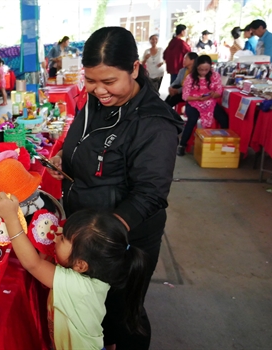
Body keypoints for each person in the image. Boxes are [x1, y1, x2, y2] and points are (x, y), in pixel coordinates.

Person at [47, 26, 183, 350]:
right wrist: (66, 156)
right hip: (89, 227)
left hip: (121, 238)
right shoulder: (95, 101)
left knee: (124, 312)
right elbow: (86, 140)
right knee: (96, 311)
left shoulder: (154, 123)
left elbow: (149, 194)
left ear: (135, 68)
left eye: (109, 81)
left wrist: (102, 237)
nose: (98, 90)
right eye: (91, 80)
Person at [0, 196, 149, 350]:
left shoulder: (78, 287)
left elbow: (34, 264)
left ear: (80, 265)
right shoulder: (89, 275)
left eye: (63, 239)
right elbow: (43, 264)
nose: (56, 236)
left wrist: (11, 218)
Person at [179, 54, 229, 156]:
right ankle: (182, 145)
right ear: (196, 67)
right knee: (192, 119)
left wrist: (213, 94)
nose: (203, 72)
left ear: (210, 68)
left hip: (210, 102)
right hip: (193, 103)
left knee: (224, 118)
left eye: (206, 70)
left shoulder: (215, 75)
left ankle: (224, 144)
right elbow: (185, 96)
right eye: (201, 69)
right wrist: (198, 98)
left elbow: (219, 92)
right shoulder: (190, 77)